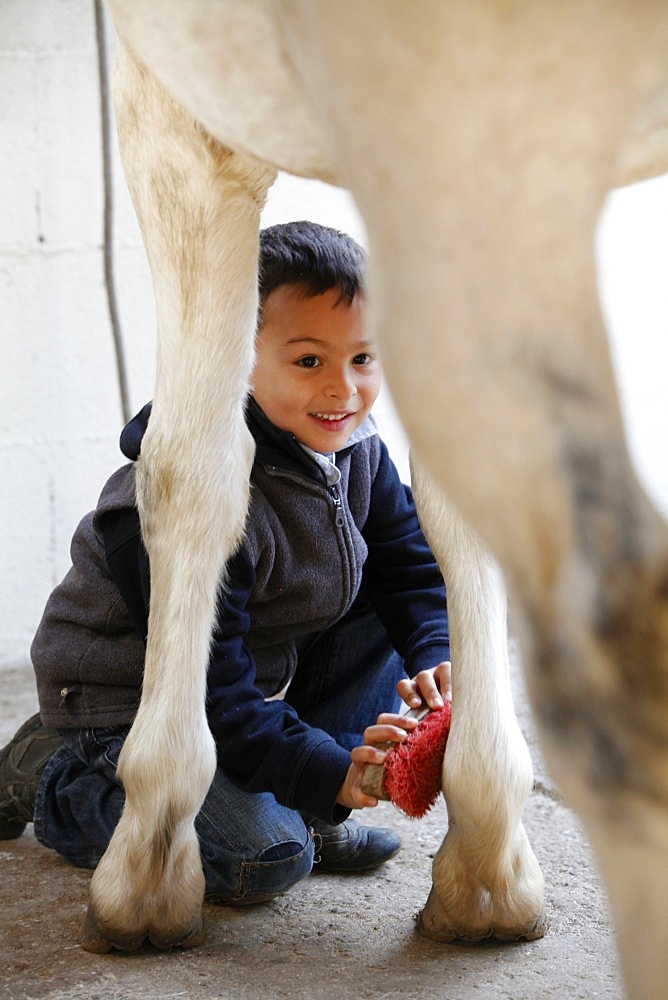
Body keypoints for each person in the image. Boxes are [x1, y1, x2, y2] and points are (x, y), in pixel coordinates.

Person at [0, 221, 451, 905]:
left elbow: (408, 569)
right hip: (139, 697)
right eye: (308, 361)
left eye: (365, 358)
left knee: (387, 609)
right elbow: (213, 696)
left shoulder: (355, 446)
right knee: (263, 861)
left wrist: (434, 654)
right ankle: (49, 776)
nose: (344, 390)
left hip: (258, 670)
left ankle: (304, 795)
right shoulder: (195, 492)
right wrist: (328, 772)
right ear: (236, 355)